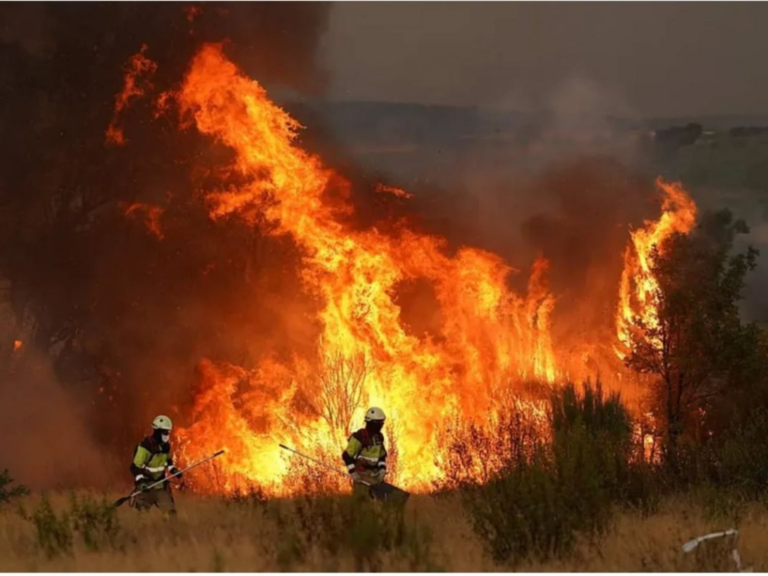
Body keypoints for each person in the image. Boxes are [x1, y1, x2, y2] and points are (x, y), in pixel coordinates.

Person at [129, 414, 181, 515]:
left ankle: (170, 526)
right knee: (141, 516)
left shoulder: (166, 446)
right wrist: (141, 481)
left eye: (168, 432)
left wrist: (173, 470)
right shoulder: (145, 446)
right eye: (165, 432)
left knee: (170, 514)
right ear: (157, 431)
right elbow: (135, 467)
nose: (167, 435)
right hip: (146, 487)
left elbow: (168, 462)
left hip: (161, 486)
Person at [342, 407, 388, 500]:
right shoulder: (360, 436)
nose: (381, 425)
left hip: (375, 475)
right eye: (379, 423)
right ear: (371, 423)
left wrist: (382, 469)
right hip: (361, 475)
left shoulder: (379, 437)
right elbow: (346, 456)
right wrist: (353, 472)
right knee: (361, 502)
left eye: (382, 423)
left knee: (378, 502)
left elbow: (381, 456)